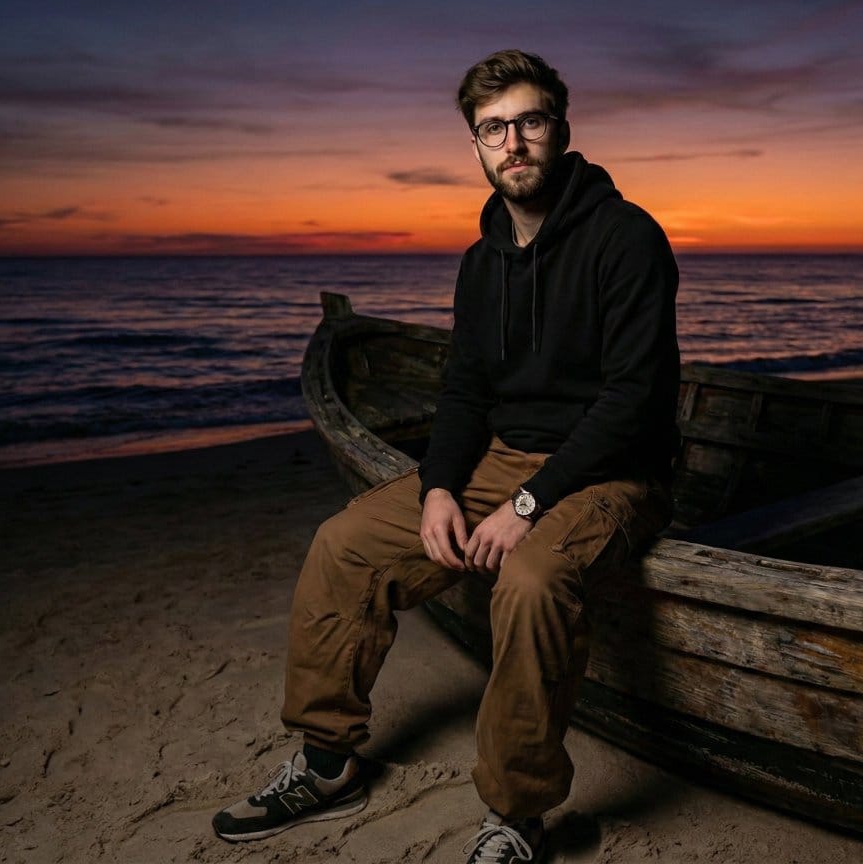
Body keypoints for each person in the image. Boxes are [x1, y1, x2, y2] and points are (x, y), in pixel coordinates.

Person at [212, 49, 680, 864]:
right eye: (493, 129)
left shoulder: (627, 239)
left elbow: (631, 404)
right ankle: (326, 765)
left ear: (560, 130)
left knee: (531, 583)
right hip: (503, 458)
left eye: (529, 122)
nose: (514, 143)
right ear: (475, 146)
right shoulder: (480, 260)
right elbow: (463, 392)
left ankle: (515, 815)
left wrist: (528, 506)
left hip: (608, 471)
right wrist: (437, 488)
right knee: (344, 545)